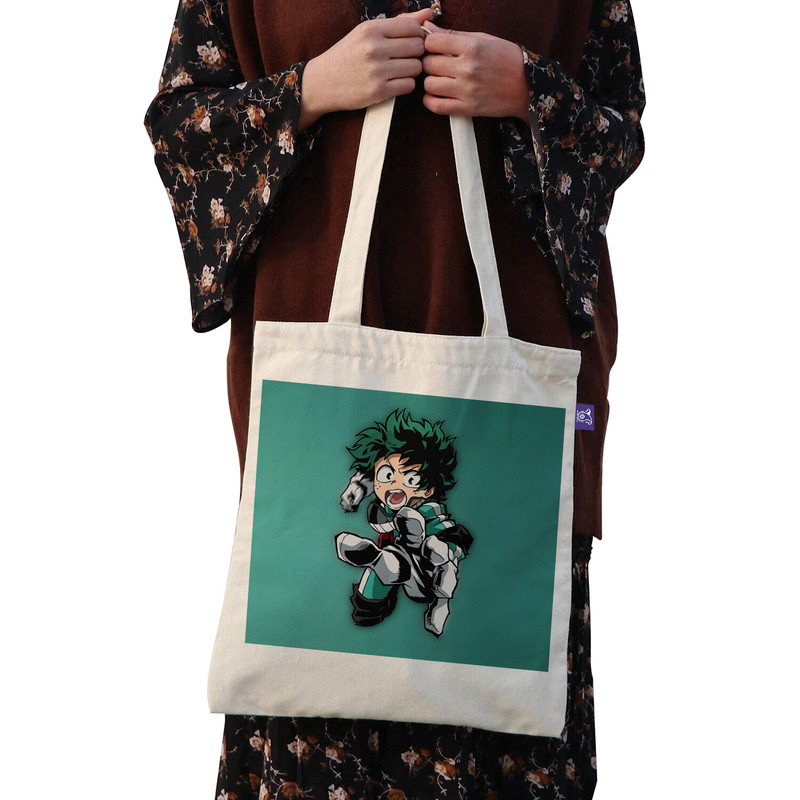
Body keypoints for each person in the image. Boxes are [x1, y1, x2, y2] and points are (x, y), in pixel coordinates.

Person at [143, 1, 645, 797]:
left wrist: (529, 91)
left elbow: (620, 126)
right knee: (312, 688)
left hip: (520, 398)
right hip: (317, 388)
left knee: (509, 686)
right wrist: (312, 88)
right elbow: (181, 127)